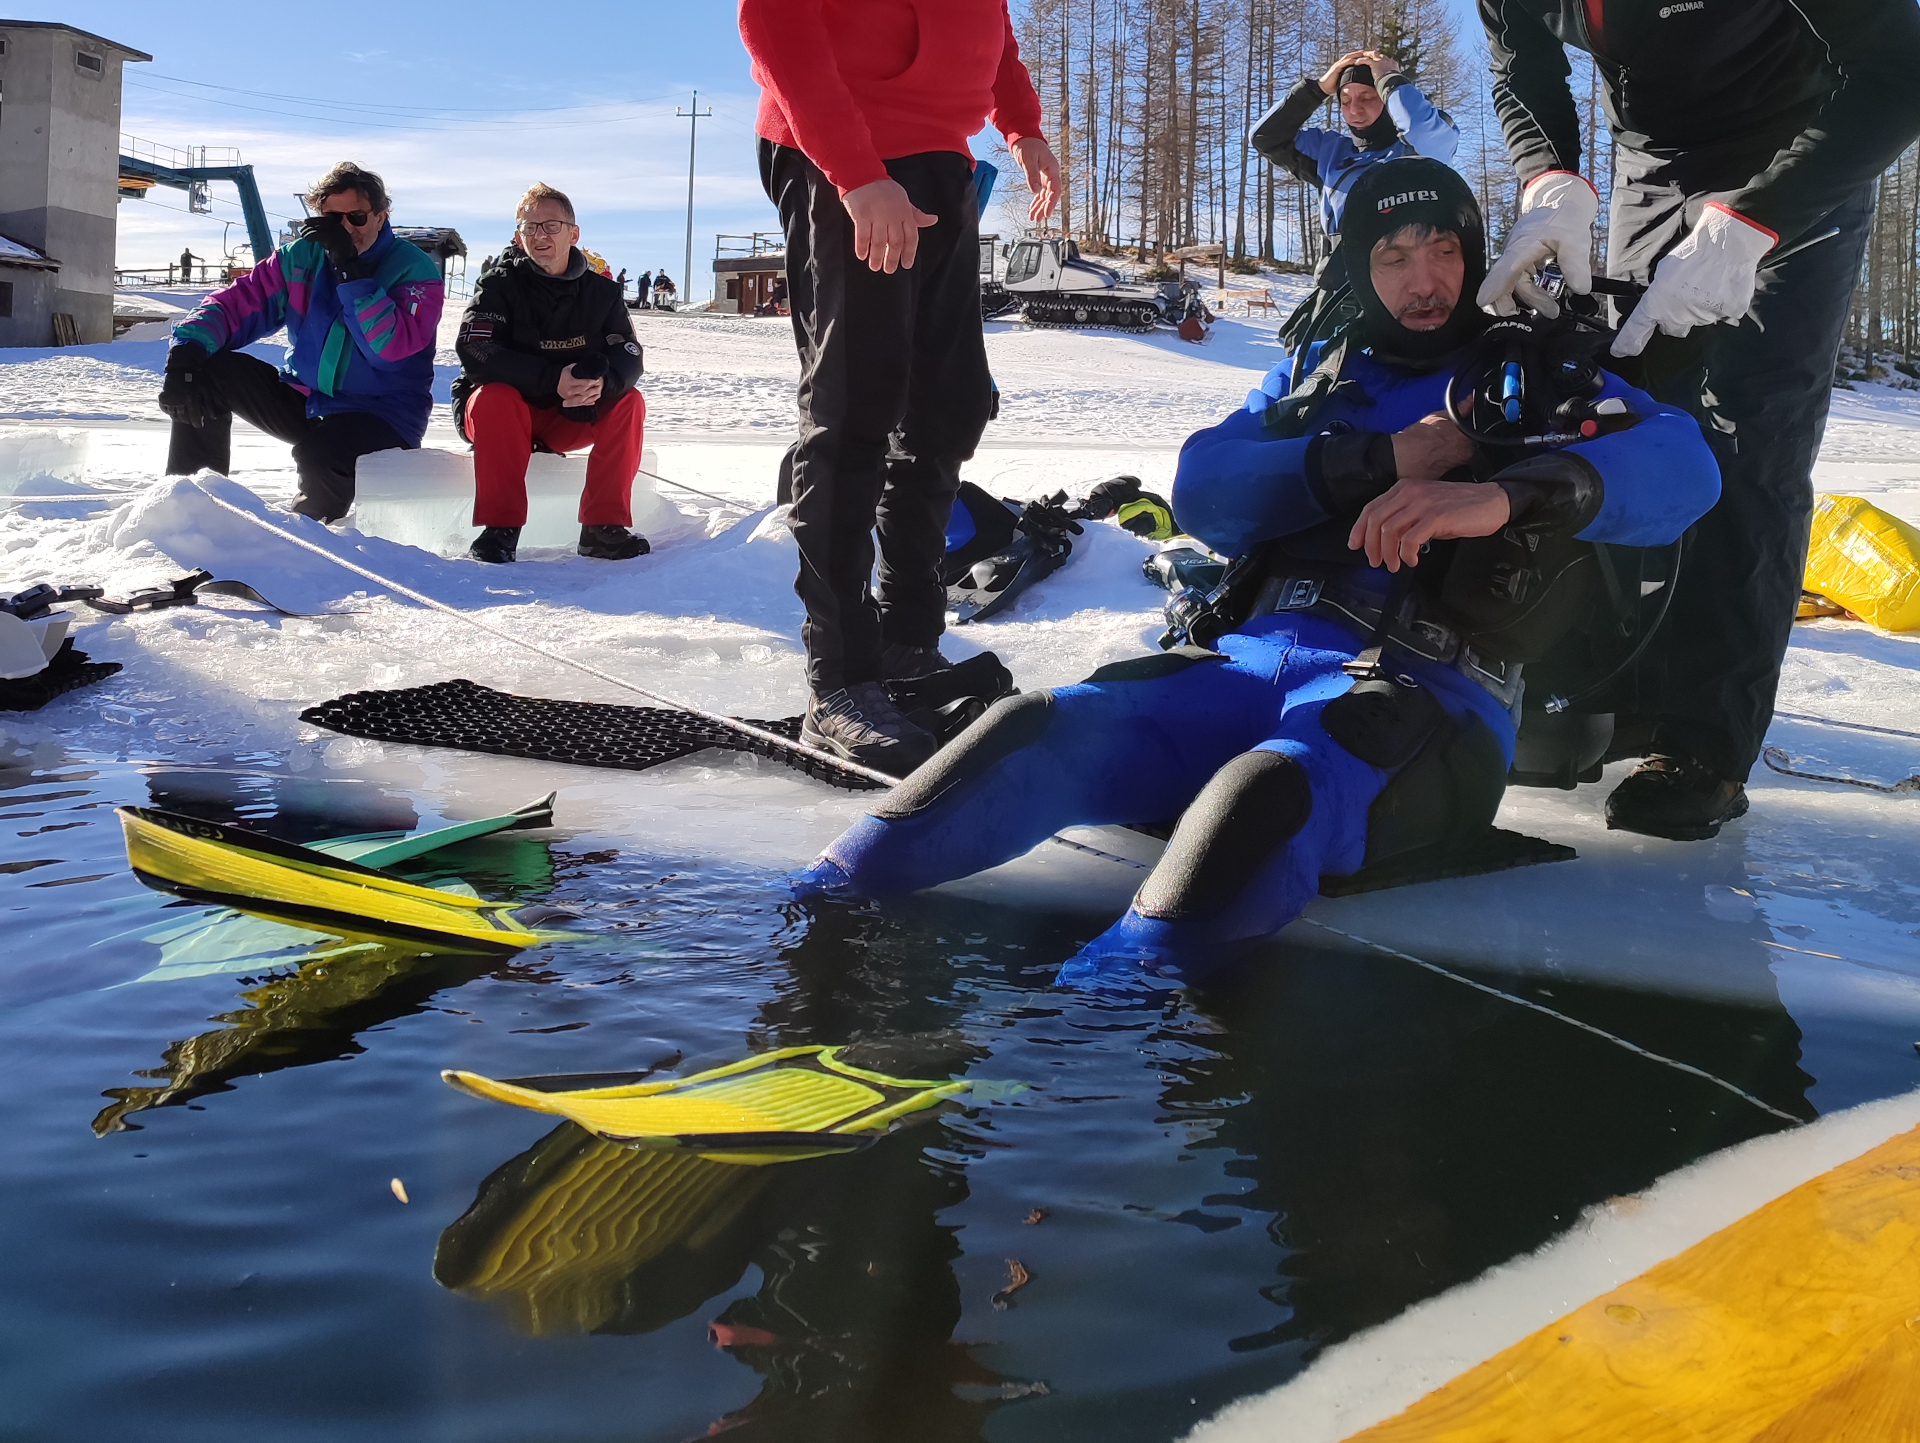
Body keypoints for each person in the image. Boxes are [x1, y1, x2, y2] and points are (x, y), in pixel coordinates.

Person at [792, 159, 1722, 983]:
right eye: (1393, 257)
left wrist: (1507, 495)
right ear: (1358, 269)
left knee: (1261, 795)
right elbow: (1205, 485)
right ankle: (799, 934)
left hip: (1424, 701)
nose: (1425, 278)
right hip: (1244, 664)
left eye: (1443, 249)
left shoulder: (1531, 378)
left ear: (1475, 256)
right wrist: (1377, 459)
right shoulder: (1317, 376)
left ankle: (1082, 1061)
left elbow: (1686, 467)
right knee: (1029, 729)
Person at [1475, 0, 1920, 841]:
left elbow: (1903, 72)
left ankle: (1706, 743)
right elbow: (1521, 65)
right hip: (1652, 166)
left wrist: (1754, 220)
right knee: (1634, 424)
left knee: (1746, 439)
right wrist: (1550, 177)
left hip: (1799, 147)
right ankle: (1626, 698)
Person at [740, 0, 1064, 772]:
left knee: (949, 405)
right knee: (856, 404)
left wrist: (1023, 126)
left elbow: (994, 32)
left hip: (939, 158)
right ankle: (842, 681)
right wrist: (856, 174)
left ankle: (906, 641)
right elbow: (773, 24)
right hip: (844, 151)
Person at [159, 162, 443, 522]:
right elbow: (236, 304)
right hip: (307, 400)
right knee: (206, 372)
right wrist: (186, 352)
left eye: (356, 217)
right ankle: (191, 513)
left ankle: (309, 541)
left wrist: (351, 273)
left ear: (381, 217)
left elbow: (388, 351)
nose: (343, 229)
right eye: (330, 219)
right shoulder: (301, 257)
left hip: (381, 413)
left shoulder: (414, 269)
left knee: (322, 457)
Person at [453, 183, 648, 564]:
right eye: (530, 227)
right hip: (503, 418)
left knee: (629, 401)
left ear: (573, 234)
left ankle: (602, 528)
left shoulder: (603, 293)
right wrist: (552, 379)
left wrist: (599, 385)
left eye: (551, 226)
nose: (540, 236)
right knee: (495, 397)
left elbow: (628, 352)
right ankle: (500, 529)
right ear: (518, 235)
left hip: (570, 417)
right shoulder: (496, 286)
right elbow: (475, 349)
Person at [1253, 48, 1459, 353]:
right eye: (1345, 100)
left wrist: (1390, 78)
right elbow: (1264, 137)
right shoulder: (1330, 151)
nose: (1355, 110)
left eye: (1367, 97)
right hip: (1337, 289)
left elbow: (1426, 135)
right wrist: (1317, 88)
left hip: (1403, 287)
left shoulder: (1414, 149)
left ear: (1387, 98)